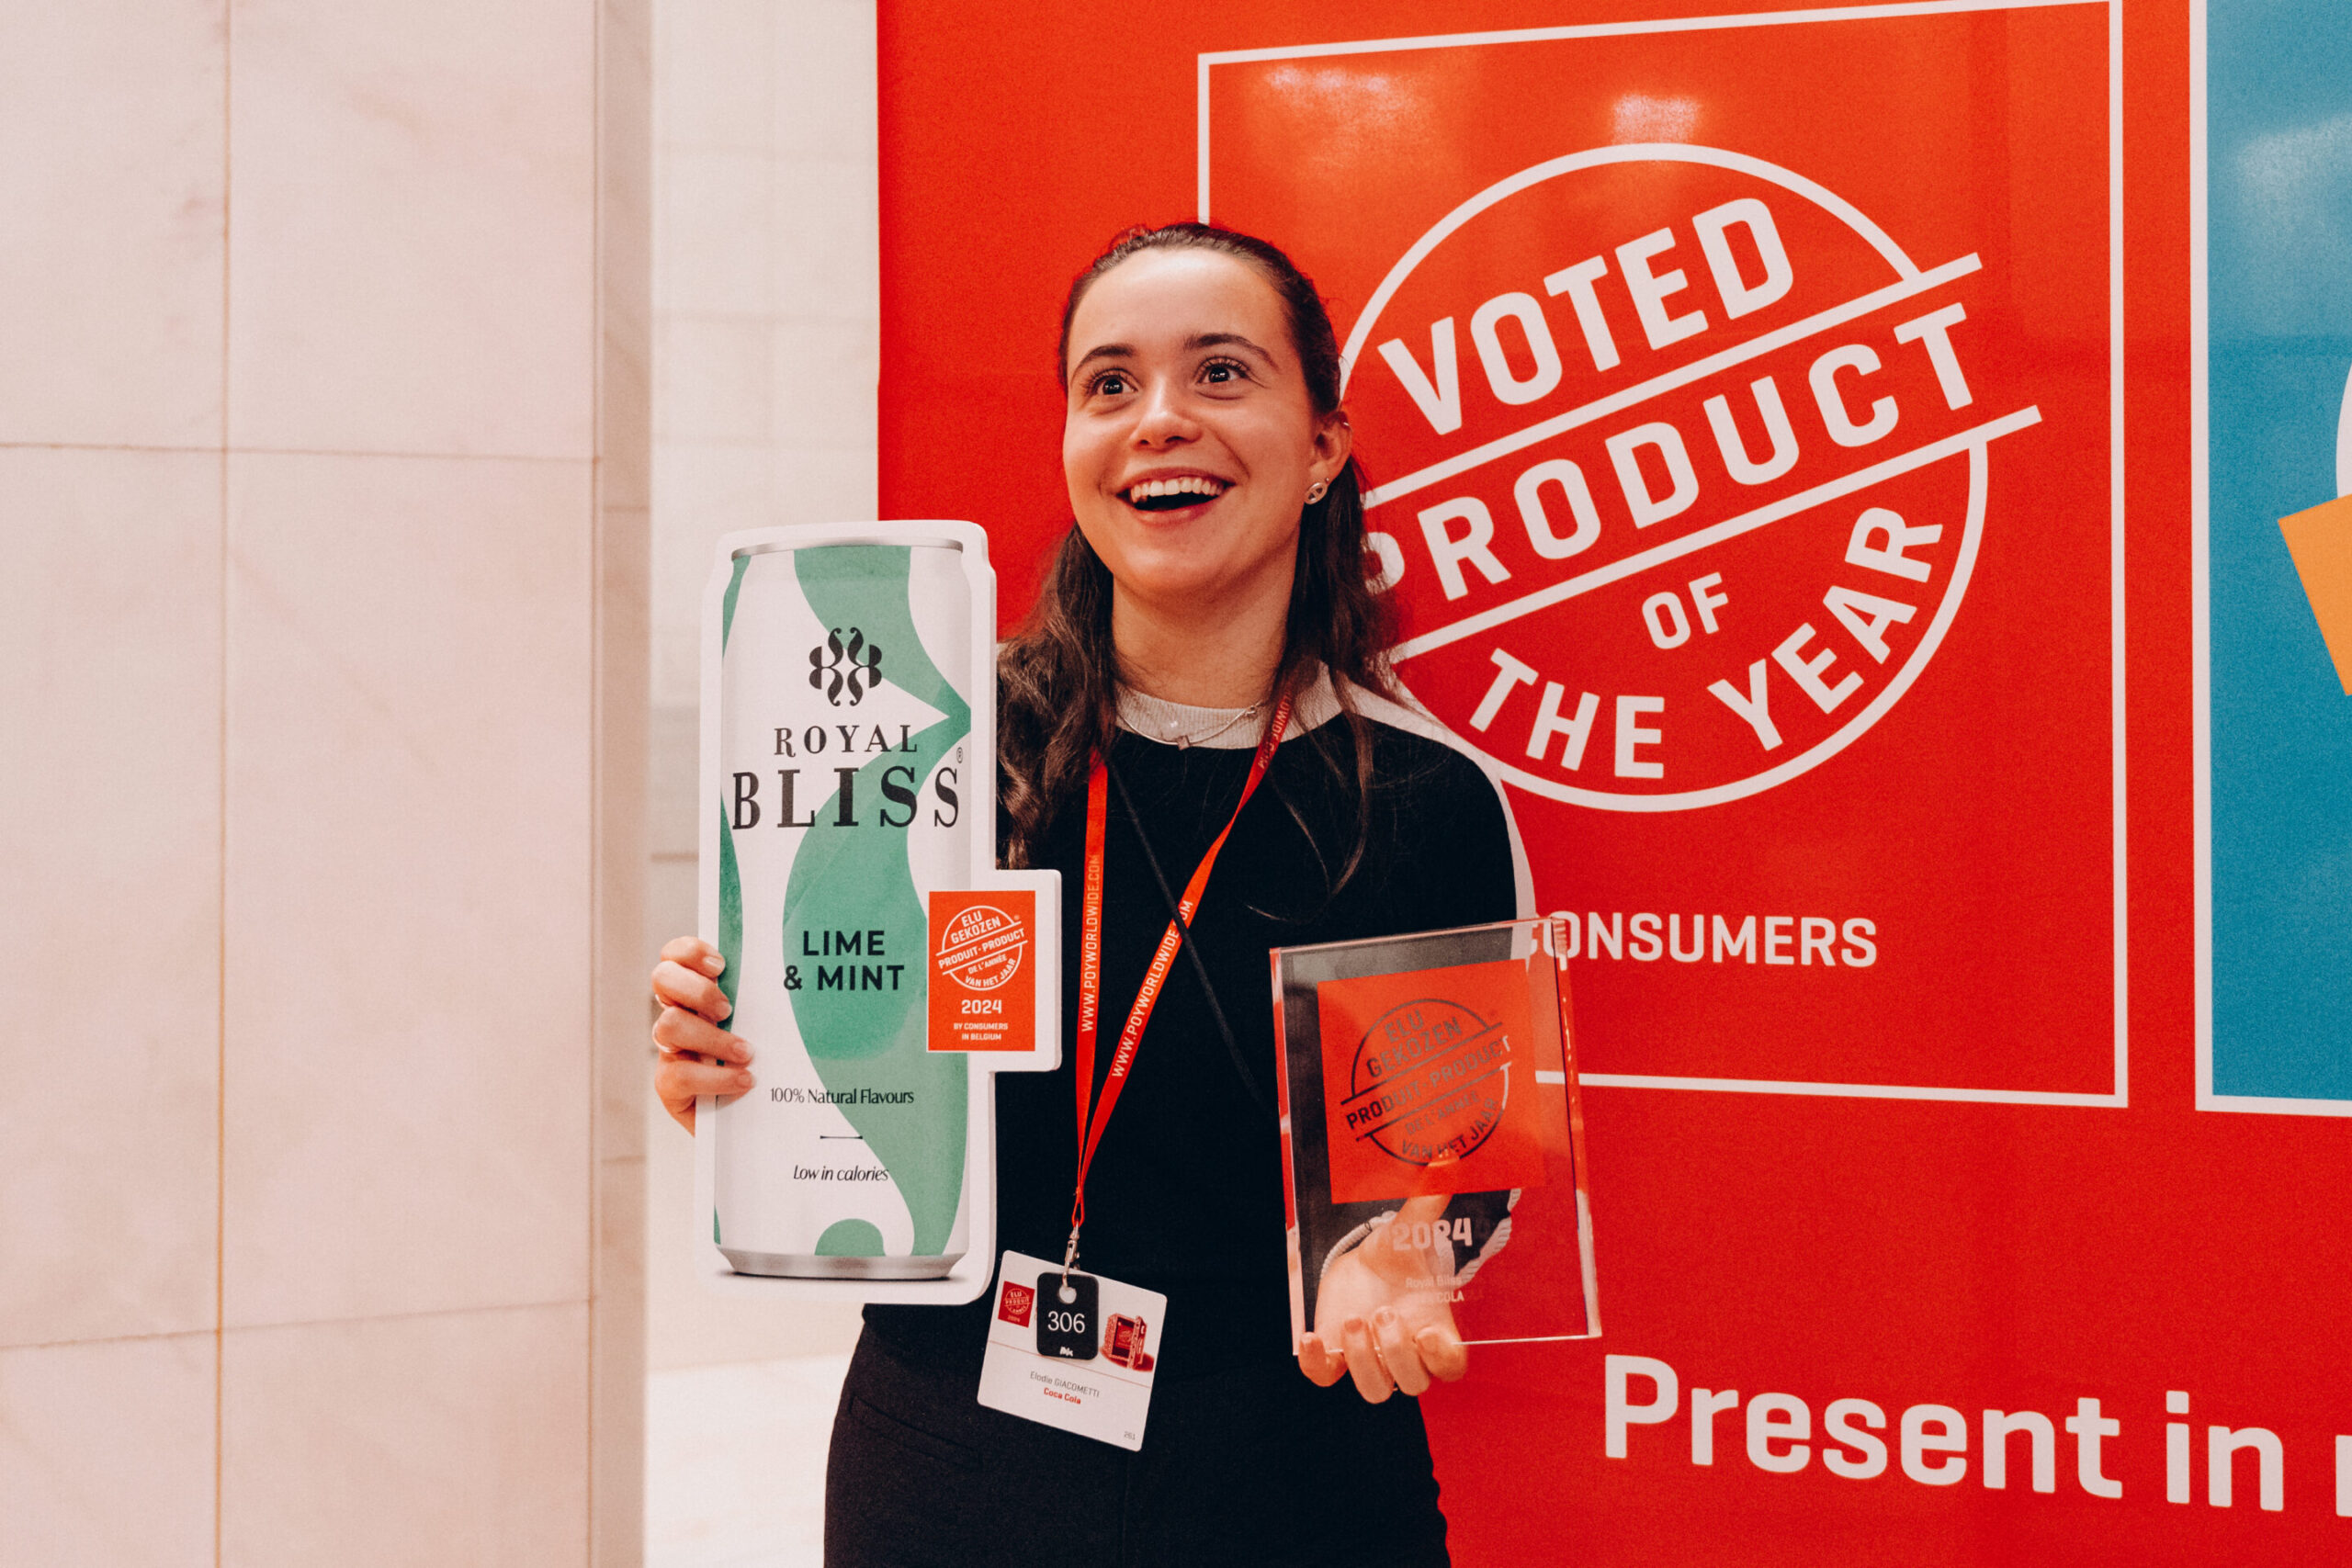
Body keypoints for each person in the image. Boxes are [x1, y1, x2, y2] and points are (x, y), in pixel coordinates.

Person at [650, 222, 1530, 1567]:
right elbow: (847, 1053)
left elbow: (1453, 1164)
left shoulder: (1416, 800)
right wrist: (735, 1064)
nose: (1158, 419)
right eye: (1109, 383)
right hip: (950, 1462)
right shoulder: (933, 756)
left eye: (1220, 372)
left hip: (1290, 1477)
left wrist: (1404, 1253)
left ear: (1323, 447)